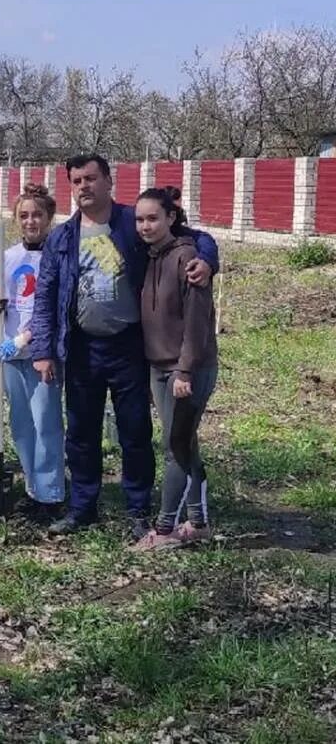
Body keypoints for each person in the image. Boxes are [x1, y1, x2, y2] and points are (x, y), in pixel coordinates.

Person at [29, 153, 219, 539]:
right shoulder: (63, 237)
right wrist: (43, 350)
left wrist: (208, 261)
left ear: (108, 181)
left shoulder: (132, 222)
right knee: (81, 433)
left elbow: (198, 238)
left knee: (134, 431)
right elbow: (45, 294)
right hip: (81, 348)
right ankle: (83, 507)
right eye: (77, 180)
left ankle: (138, 509)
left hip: (129, 347)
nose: (84, 186)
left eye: (91, 178)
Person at [132, 188, 219, 550]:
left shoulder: (189, 260)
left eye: (153, 218)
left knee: (174, 446)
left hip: (187, 371)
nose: (145, 225)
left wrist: (185, 372)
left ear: (171, 217)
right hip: (159, 367)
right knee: (186, 443)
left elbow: (198, 326)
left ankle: (165, 531)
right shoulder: (151, 256)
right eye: (140, 219)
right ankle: (197, 522)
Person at [0, 184, 64, 523]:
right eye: (24, 215)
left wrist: (24, 339)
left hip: (40, 351)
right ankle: (33, 487)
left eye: (37, 215)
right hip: (11, 353)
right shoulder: (7, 258)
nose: (30, 221)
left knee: (45, 421)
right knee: (21, 423)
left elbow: (54, 307)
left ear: (49, 217)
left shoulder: (57, 255)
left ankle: (51, 494)